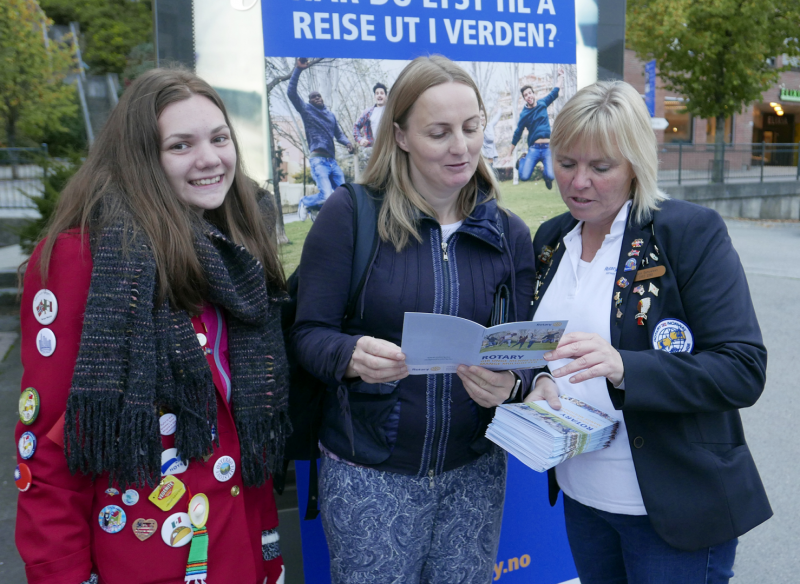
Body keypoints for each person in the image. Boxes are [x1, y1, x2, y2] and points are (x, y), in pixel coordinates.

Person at [14, 69, 290, 584]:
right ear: (142, 158)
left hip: (240, 547)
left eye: (219, 138)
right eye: (180, 145)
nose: (209, 159)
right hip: (145, 559)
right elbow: (50, 451)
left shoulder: (237, 250)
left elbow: (245, 433)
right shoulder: (84, 259)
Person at [290, 55, 536, 583]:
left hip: (474, 471)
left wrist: (512, 382)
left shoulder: (508, 232)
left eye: (471, 128)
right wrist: (349, 356)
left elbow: (526, 353)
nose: (461, 147)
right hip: (369, 475)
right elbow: (307, 334)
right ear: (399, 135)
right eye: (438, 132)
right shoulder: (350, 214)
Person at [526, 80, 772, 583]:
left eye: (600, 167)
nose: (578, 182)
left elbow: (743, 368)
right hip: (582, 498)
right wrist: (536, 378)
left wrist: (625, 368)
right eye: (567, 162)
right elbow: (544, 344)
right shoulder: (552, 238)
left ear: (636, 163)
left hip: (673, 509)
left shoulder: (687, 233)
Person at [288, 57, 354, 217]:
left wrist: (348, 143)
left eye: (318, 96)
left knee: (346, 195)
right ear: (309, 101)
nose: (317, 98)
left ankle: (316, 209)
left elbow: (339, 134)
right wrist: (298, 69)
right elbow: (291, 93)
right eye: (313, 97)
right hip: (318, 160)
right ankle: (306, 202)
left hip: (332, 162)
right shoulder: (306, 110)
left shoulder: (330, 116)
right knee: (326, 195)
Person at [511, 68, 564, 189]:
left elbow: (555, 92)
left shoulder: (543, 103)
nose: (528, 96)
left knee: (551, 175)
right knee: (524, 176)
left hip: (547, 148)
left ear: (533, 94)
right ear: (524, 98)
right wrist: (511, 150)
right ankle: (522, 161)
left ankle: (546, 176)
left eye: (529, 93)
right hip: (534, 148)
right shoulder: (524, 114)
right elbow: (518, 132)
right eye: (525, 95)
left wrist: (561, 76)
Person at [353, 82, 388, 168]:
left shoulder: (391, 111)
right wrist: (360, 139)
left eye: (382, 93)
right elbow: (356, 126)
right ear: (374, 96)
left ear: (385, 96)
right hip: (375, 149)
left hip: (390, 147)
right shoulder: (368, 112)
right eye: (377, 93)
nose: (379, 95)